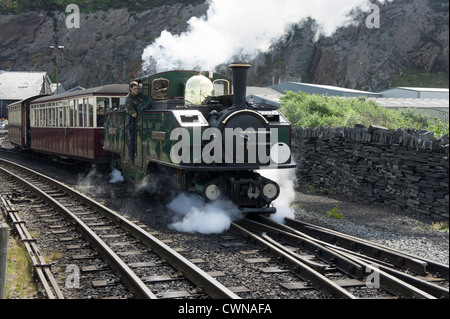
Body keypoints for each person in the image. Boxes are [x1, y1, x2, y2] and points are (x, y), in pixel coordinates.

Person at [125, 81, 142, 165]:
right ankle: (132, 159)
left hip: (139, 121)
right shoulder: (129, 99)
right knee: (131, 139)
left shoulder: (138, 96)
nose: (136, 90)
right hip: (132, 121)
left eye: (137, 89)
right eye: (135, 89)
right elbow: (133, 114)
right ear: (131, 89)